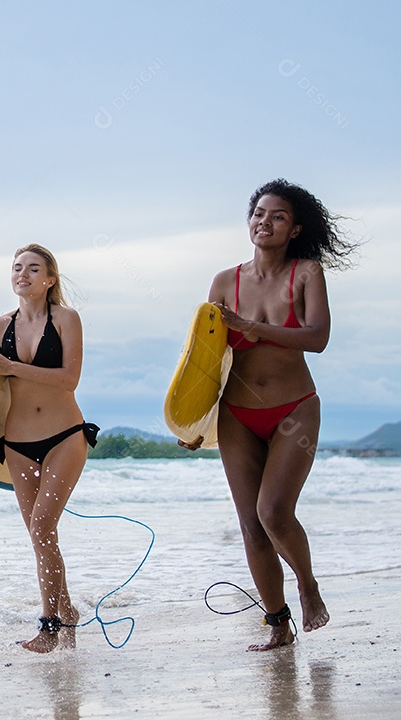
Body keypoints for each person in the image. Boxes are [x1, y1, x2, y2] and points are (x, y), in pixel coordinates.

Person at [200, 179, 356, 651]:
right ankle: (277, 622)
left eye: (278, 216)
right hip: (237, 415)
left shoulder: (306, 273)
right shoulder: (225, 281)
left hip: (294, 409)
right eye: (259, 213)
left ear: (295, 229)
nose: (264, 222)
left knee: (273, 512)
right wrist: (192, 421)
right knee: (250, 523)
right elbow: (204, 357)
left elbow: (317, 337)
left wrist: (253, 327)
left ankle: (307, 585)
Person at [0, 244, 99, 653]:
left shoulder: (66, 319)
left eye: (33, 268)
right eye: (16, 268)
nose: (22, 274)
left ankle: (49, 625)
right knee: (40, 535)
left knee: (43, 527)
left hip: (65, 435)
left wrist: (11, 367)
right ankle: (68, 612)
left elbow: (69, 379)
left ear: (50, 279)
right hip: (18, 443)